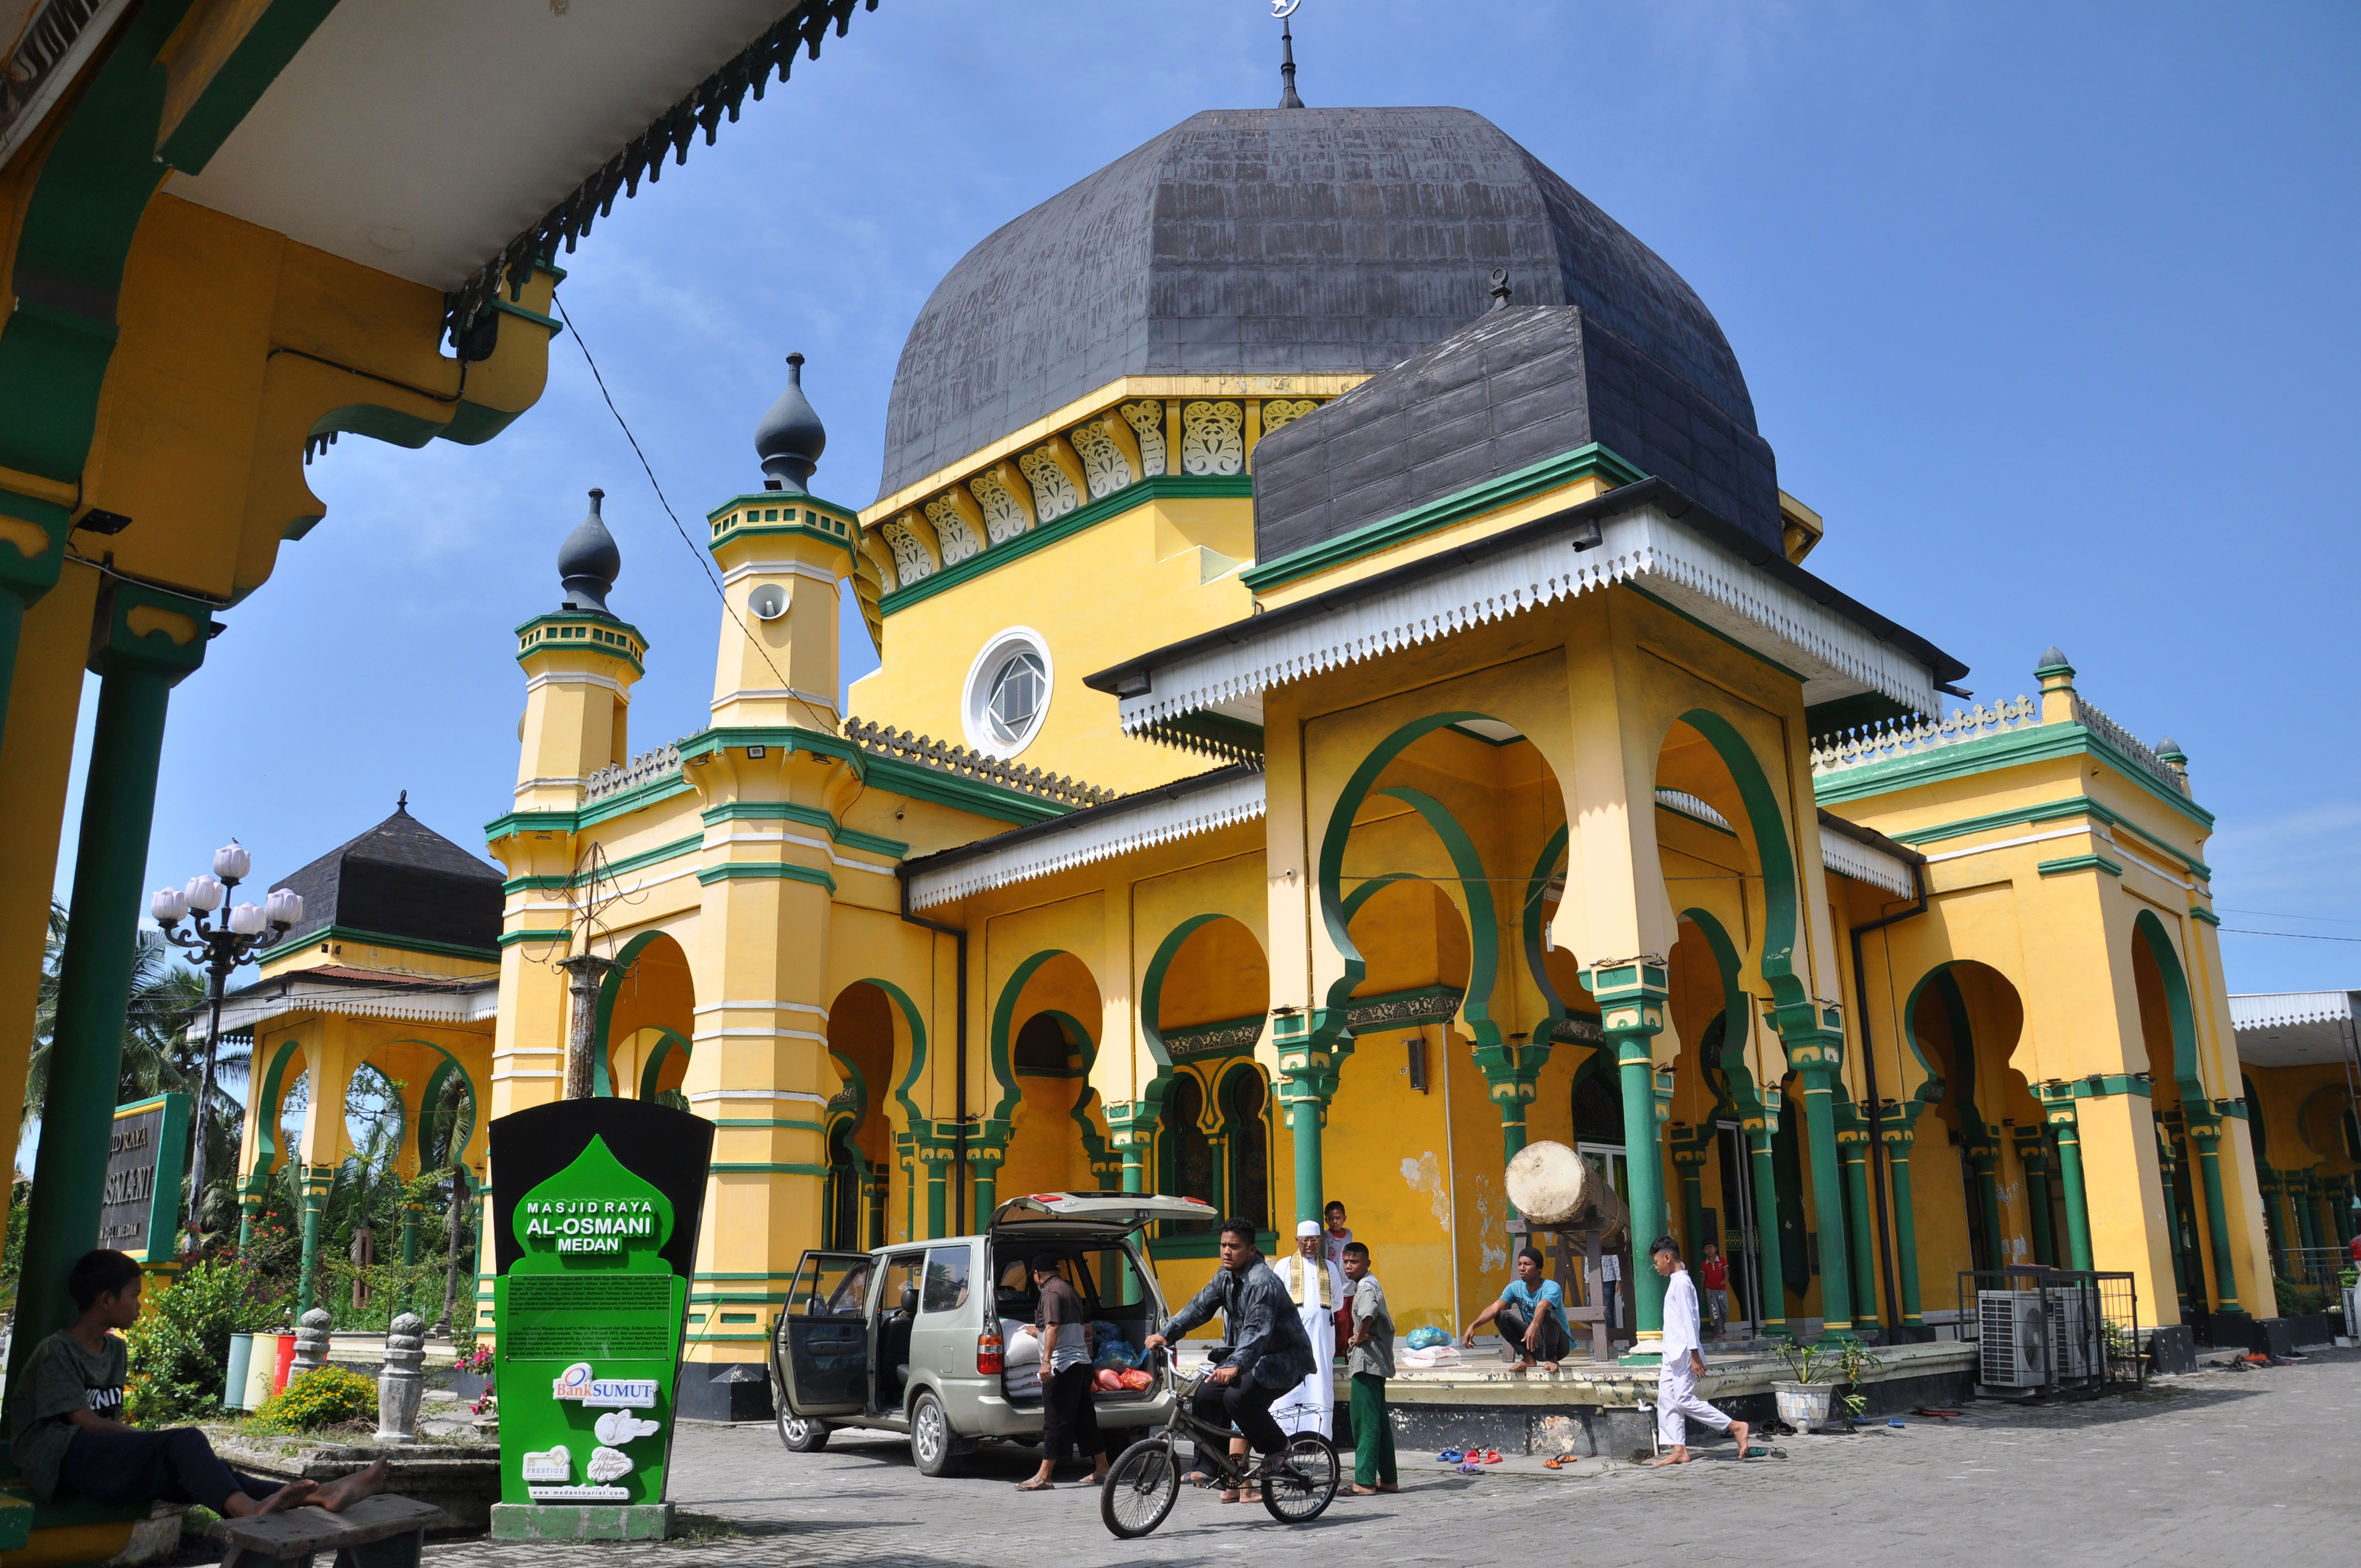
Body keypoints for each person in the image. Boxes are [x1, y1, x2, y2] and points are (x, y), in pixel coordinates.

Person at [4, 1250, 390, 1516]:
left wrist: (149, 1446)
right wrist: (149, 1441)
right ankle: (250, 1510)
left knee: (205, 1466)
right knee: (184, 1444)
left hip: (97, 1459)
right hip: (57, 1462)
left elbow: (106, 1431)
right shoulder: (58, 1350)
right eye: (134, 1296)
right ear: (106, 1299)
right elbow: (85, 1425)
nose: (139, 1305)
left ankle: (323, 1495)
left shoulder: (114, 1350)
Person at [1142, 1217, 1316, 1505]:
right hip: (1249, 1358)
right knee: (1207, 1393)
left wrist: (1235, 1365)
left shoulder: (1262, 1282)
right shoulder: (1225, 1277)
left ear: (1250, 1250)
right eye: (1223, 1245)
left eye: (1234, 1246)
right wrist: (1166, 1334)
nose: (1226, 1251)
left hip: (1283, 1361)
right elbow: (1199, 1308)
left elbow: (1256, 1332)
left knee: (1239, 1399)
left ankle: (1279, 1446)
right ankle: (1210, 1467)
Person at [1647, 1235, 1749, 1468]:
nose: (1656, 1267)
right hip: (1671, 1353)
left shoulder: (1682, 1284)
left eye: (1656, 1262)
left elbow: (1690, 1322)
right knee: (1667, 1399)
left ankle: (1735, 1426)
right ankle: (1679, 1449)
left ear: (1667, 1257)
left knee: (1684, 1400)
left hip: (1684, 1352)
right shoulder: (1676, 1282)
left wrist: (1694, 1356)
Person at [1018, 1254, 1105, 1491]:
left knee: (1055, 1420)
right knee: (1085, 1419)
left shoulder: (1049, 1293)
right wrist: (1038, 1334)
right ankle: (1103, 1468)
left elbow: (1054, 1326)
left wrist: (1046, 1362)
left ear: (1037, 1275)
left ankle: (1044, 1476)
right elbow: (1064, 1328)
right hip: (1081, 1364)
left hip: (1062, 1367)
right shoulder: (1069, 1290)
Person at [1269, 1220, 1345, 1438]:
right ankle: (1285, 1435)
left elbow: (1337, 1302)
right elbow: (1274, 1300)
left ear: (1320, 1241)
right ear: (1297, 1241)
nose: (1309, 1245)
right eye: (1305, 1241)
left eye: (1314, 1240)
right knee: (1290, 1387)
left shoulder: (1329, 1268)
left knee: (1318, 1384)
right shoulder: (1283, 1266)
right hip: (1290, 1340)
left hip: (1321, 1339)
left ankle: (1319, 1436)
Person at [1337, 1242, 1397, 1495]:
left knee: (1365, 1422)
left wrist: (1360, 1335)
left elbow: (1369, 1312)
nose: (1349, 1267)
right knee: (1379, 1421)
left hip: (1367, 1360)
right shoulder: (1369, 1283)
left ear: (1367, 1264)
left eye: (1355, 1262)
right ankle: (1389, 1479)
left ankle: (1364, 1481)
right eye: (1346, 1261)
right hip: (1377, 1360)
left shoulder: (1364, 1286)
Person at [1460, 1248, 1571, 1371]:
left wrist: (1534, 1325)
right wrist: (1473, 1326)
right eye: (1519, 1264)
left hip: (1559, 1346)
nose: (1522, 1268)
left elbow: (1542, 1306)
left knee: (1546, 1314)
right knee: (1501, 1316)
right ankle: (1528, 1358)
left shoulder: (1552, 1287)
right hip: (1534, 1343)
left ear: (1539, 1268)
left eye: (1527, 1264)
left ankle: (1551, 1359)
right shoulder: (1515, 1287)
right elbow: (1494, 1308)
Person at [1700, 1243, 1729, 1338]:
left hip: (1721, 1289)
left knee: (1725, 1310)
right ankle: (1719, 1329)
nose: (1709, 1250)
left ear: (1716, 1248)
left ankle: (1722, 1325)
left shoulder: (1722, 1261)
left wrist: (1725, 1280)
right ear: (1704, 1252)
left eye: (1711, 1248)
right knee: (1715, 1310)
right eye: (1707, 1248)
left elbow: (1726, 1273)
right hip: (1710, 1290)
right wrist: (1702, 1291)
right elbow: (1703, 1278)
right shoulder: (1705, 1264)